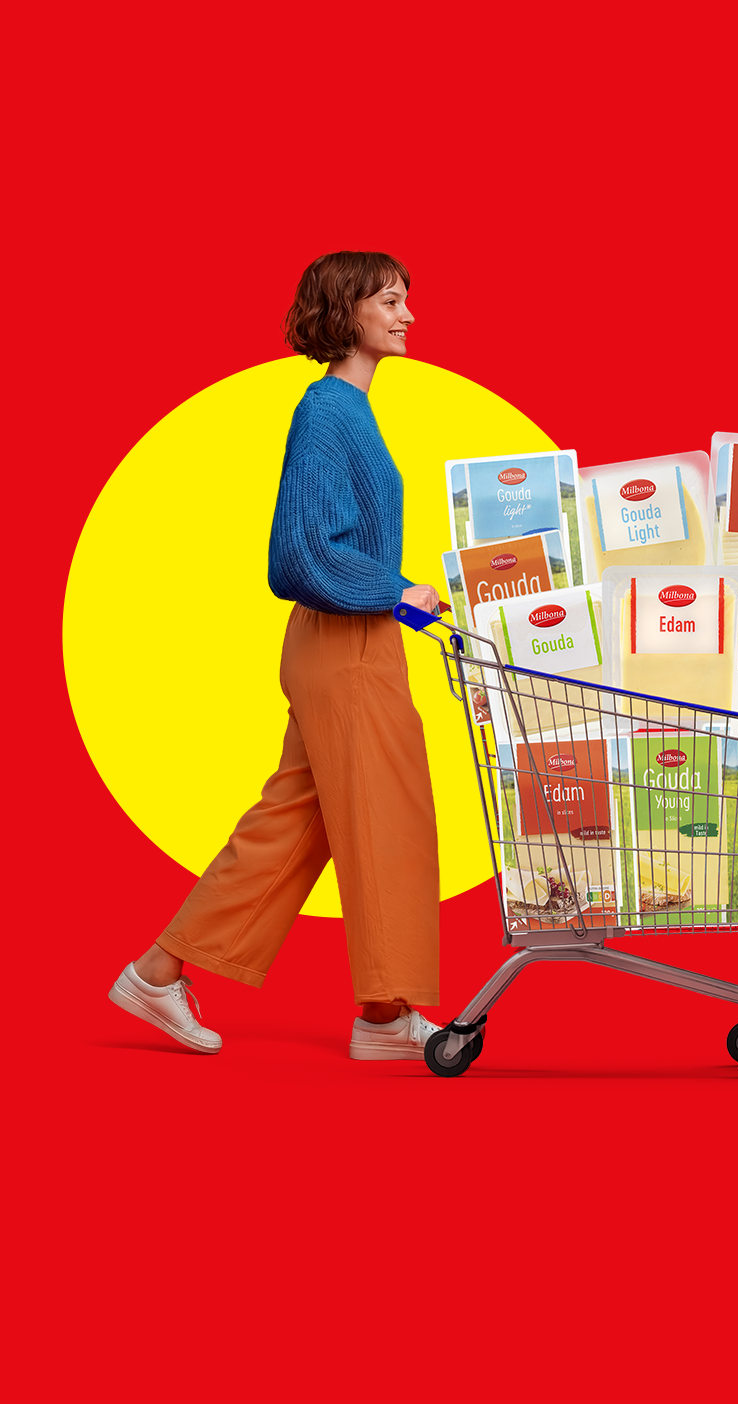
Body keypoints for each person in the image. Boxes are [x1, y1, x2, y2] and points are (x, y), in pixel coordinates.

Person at [109, 251, 443, 1059]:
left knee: (293, 829)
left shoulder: (351, 411)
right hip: (347, 642)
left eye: (408, 301)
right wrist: (399, 591)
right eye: (390, 301)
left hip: (349, 644)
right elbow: (300, 554)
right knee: (390, 819)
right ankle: (392, 1013)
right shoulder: (328, 410)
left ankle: (160, 975)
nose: (407, 316)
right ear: (348, 310)